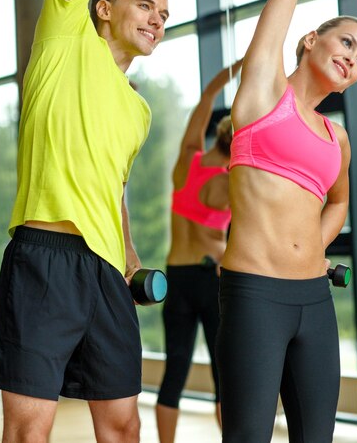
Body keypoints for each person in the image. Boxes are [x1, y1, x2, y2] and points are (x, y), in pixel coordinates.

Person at [0, 0, 171, 443]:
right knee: (29, 428)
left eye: (163, 14)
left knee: (123, 424)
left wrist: (131, 257)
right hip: (44, 258)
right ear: (101, 10)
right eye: (144, 5)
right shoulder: (63, 40)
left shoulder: (138, 109)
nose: (156, 20)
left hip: (105, 272)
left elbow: (111, 188)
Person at [215, 0, 357, 442]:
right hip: (255, 295)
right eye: (347, 42)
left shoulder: (338, 137)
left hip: (314, 300)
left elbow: (340, 200)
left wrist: (314, 245)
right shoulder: (264, 94)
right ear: (311, 40)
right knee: (248, 436)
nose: (353, 59)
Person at [156, 59, 243, 443]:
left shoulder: (187, 160)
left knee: (175, 371)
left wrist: (232, 70)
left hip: (177, 274)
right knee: (225, 375)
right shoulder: (233, 182)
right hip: (211, 278)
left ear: (216, 136)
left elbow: (207, 97)